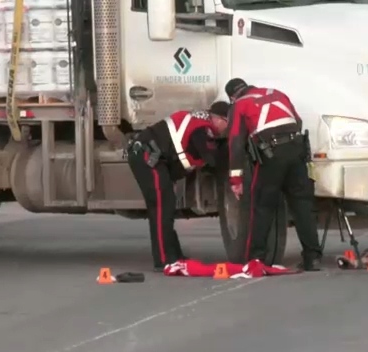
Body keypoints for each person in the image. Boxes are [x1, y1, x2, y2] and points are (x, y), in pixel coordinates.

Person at [224, 78, 322, 271]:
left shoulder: (240, 104)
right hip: (297, 150)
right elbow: (298, 121)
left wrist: (236, 179)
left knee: (262, 206)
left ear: (232, 97)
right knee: (302, 206)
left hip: (271, 154)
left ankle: (257, 258)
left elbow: (235, 142)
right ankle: (313, 258)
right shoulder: (276, 93)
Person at [127, 102, 230, 272]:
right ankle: (163, 259)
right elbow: (211, 158)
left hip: (155, 157)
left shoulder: (200, 123)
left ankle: (174, 255)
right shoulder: (201, 129)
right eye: (228, 122)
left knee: (166, 208)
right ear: (218, 119)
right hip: (147, 155)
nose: (227, 128)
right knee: (162, 208)